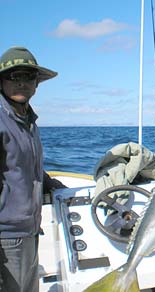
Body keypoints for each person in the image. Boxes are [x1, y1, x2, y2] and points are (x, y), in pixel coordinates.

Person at [0, 46, 66, 292]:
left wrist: (48, 182)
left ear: (36, 83)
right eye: (13, 76)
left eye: (28, 76)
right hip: (6, 239)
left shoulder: (27, 120)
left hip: (29, 232)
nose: (21, 83)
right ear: (1, 81)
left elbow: (22, 165)